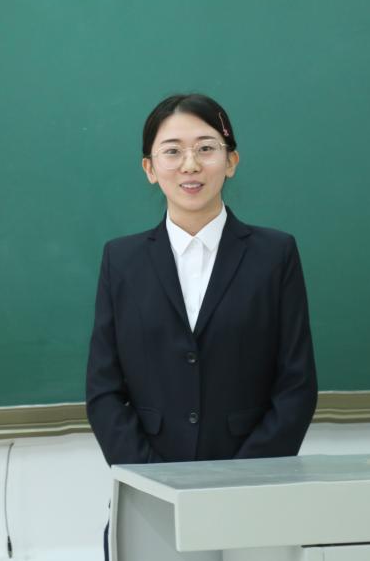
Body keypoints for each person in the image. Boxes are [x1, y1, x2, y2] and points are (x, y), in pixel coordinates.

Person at [86, 93, 318, 557]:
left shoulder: (274, 255)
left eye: (206, 148)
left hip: (255, 493)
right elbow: (104, 391)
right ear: (150, 168)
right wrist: (154, 478)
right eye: (172, 151)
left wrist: (239, 479)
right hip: (149, 495)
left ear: (231, 161)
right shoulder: (122, 260)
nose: (190, 164)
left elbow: (296, 385)